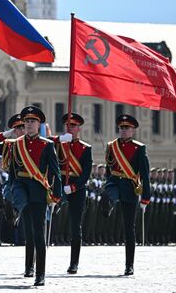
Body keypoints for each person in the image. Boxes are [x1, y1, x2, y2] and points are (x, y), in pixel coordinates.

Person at [8, 105, 62, 286]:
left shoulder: (47, 145)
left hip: (39, 190)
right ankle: (28, 266)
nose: (29, 124)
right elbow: (13, 171)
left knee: (38, 232)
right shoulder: (17, 144)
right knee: (27, 229)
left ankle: (40, 274)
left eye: (33, 121)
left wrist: (56, 195)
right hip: (21, 188)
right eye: (27, 121)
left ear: (39, 124)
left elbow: (55, 172)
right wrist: (10, 191)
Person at [101, 114, 151, 275]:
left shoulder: (139, 148)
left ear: (133, 130)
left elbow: (145, 174)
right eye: (122, 128)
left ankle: (129, 265)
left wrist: (145, 197)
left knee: (129, 228)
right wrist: (109, 184)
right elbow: (109, 169)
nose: (123, 130)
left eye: (127, 128)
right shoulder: (112, 146)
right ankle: (108, 205)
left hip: (130, 188)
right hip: (114, 183)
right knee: (107, 195)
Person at [0, 114, 36, 276]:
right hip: (15, 186)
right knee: (8, 192)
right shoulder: (10, 145)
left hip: (35, 189)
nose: (21, 131)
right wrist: (4, 135)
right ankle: (13, 210)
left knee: (33, 231)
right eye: (17, 129)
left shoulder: (40, 144)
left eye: (23, 127)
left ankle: (32, 264)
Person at [50, 113, 92, 274]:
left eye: (73, 126)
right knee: (45, 219)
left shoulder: (85, 148)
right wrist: (60, 140)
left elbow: (86, 173)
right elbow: (44, 142)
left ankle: (74, 263)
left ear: (78, 128)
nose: (70, 128)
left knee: (76, 226)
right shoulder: (58, 143)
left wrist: (73, 187)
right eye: (68, 125)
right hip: (59, 185)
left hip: (76, 188)